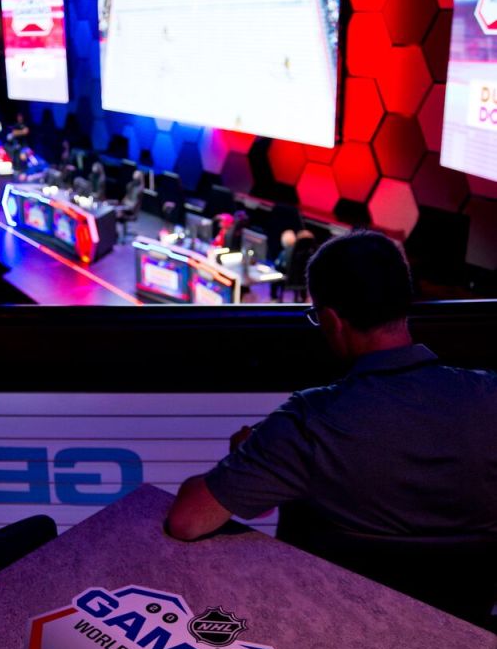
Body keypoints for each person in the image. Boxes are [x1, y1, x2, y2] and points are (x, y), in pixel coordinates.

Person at [167, 230, 497, 544]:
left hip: (325, 587)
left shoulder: (306, 424)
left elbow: (187, 521)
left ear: (331, 320)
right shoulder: (489, 396)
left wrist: (246, 458)